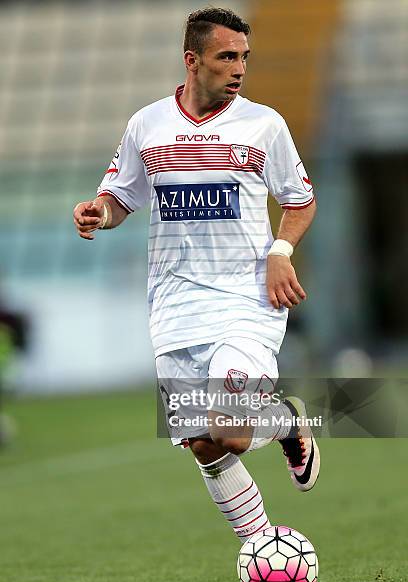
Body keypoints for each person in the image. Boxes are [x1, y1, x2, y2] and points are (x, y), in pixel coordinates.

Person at [73, 7, 320, 551]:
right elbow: (121, 197)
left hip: (245, 299)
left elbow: (300, 200)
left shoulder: (264, 125)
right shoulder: (148, 125)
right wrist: (100, 212)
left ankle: (285, 420)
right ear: (192, 60)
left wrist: (281, 249)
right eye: (226, 57)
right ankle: (260, 548)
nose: (238, 69)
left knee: (230, 427)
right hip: (173, 305)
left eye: (244, 58)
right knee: (205, 443)